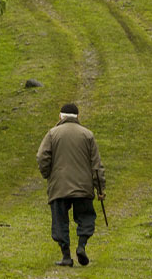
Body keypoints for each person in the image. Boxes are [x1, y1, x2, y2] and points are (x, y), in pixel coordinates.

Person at [37, 103, 106, 267]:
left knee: (60, 220)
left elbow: (41, 157)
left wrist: (48, 174)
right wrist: (100, 189)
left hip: (59, 186)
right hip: (83, 187)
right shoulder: (88, 135)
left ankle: (66, 256)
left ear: (60, 116)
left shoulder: (52, 134)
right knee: (86, 217)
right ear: (78, 116)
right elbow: (96, 166)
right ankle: (81, 246)